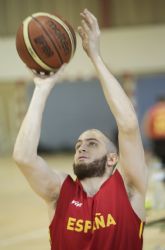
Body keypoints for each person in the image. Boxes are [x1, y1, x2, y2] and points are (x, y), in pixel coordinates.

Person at [13, 9, 148, 250]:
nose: (81, 147)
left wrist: (95, 57)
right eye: (79, 145)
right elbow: (23, 157)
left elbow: (127, 123)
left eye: (92, 143)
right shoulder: (60, 192)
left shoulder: (129, 189)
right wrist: (42, 89)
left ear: (112, 158)